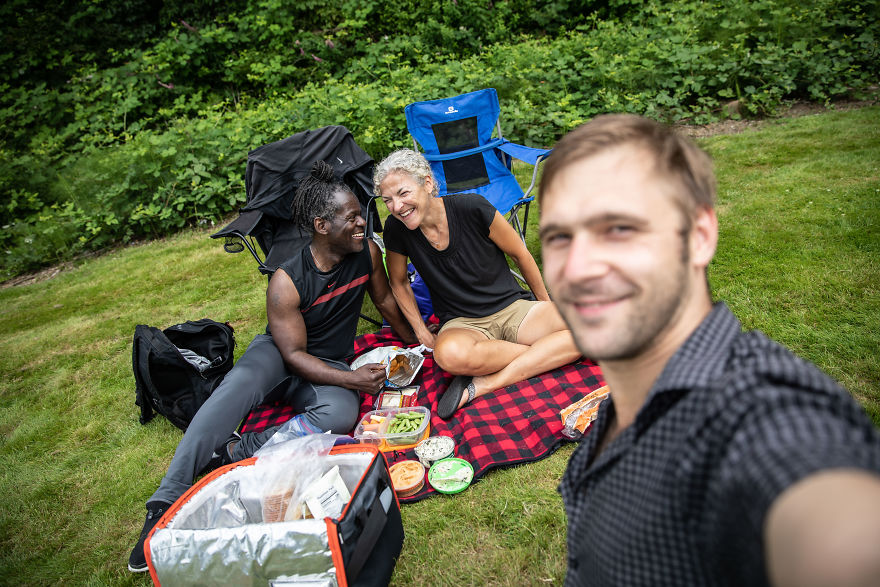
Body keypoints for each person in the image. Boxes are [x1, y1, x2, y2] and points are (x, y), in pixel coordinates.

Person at [538, 113, 880, 586]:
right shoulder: (624, 401)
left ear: (699, 236)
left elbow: (835, 526)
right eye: (558, 237)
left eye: (618, 227)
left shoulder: (760, 416)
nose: (576, 268)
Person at [127, 161, 416, 573]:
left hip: (328, 360)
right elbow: (294, 356)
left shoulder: (366, 252)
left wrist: (416, 344)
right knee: (235, 389)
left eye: (361, 214)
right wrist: (351, 378)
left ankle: (233, 451)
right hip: (280, 356)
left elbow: (386, 303)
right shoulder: (286, 280)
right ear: (320, 224)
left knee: (341, 413)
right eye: (351, 217)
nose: (362, 223)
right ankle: (163, 501)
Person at [373, 149, 581, 419]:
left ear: (426, 183)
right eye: (387, 200)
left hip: (514, 310)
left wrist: (544, 304)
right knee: (447, 356)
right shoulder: (396, 229)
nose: (396, 207)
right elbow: (398, 282)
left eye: (403, 193)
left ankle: (484, 384)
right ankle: (544, 354)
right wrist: (421, 331)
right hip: (462, 324)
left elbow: (520, 254)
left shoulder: (472, 207)